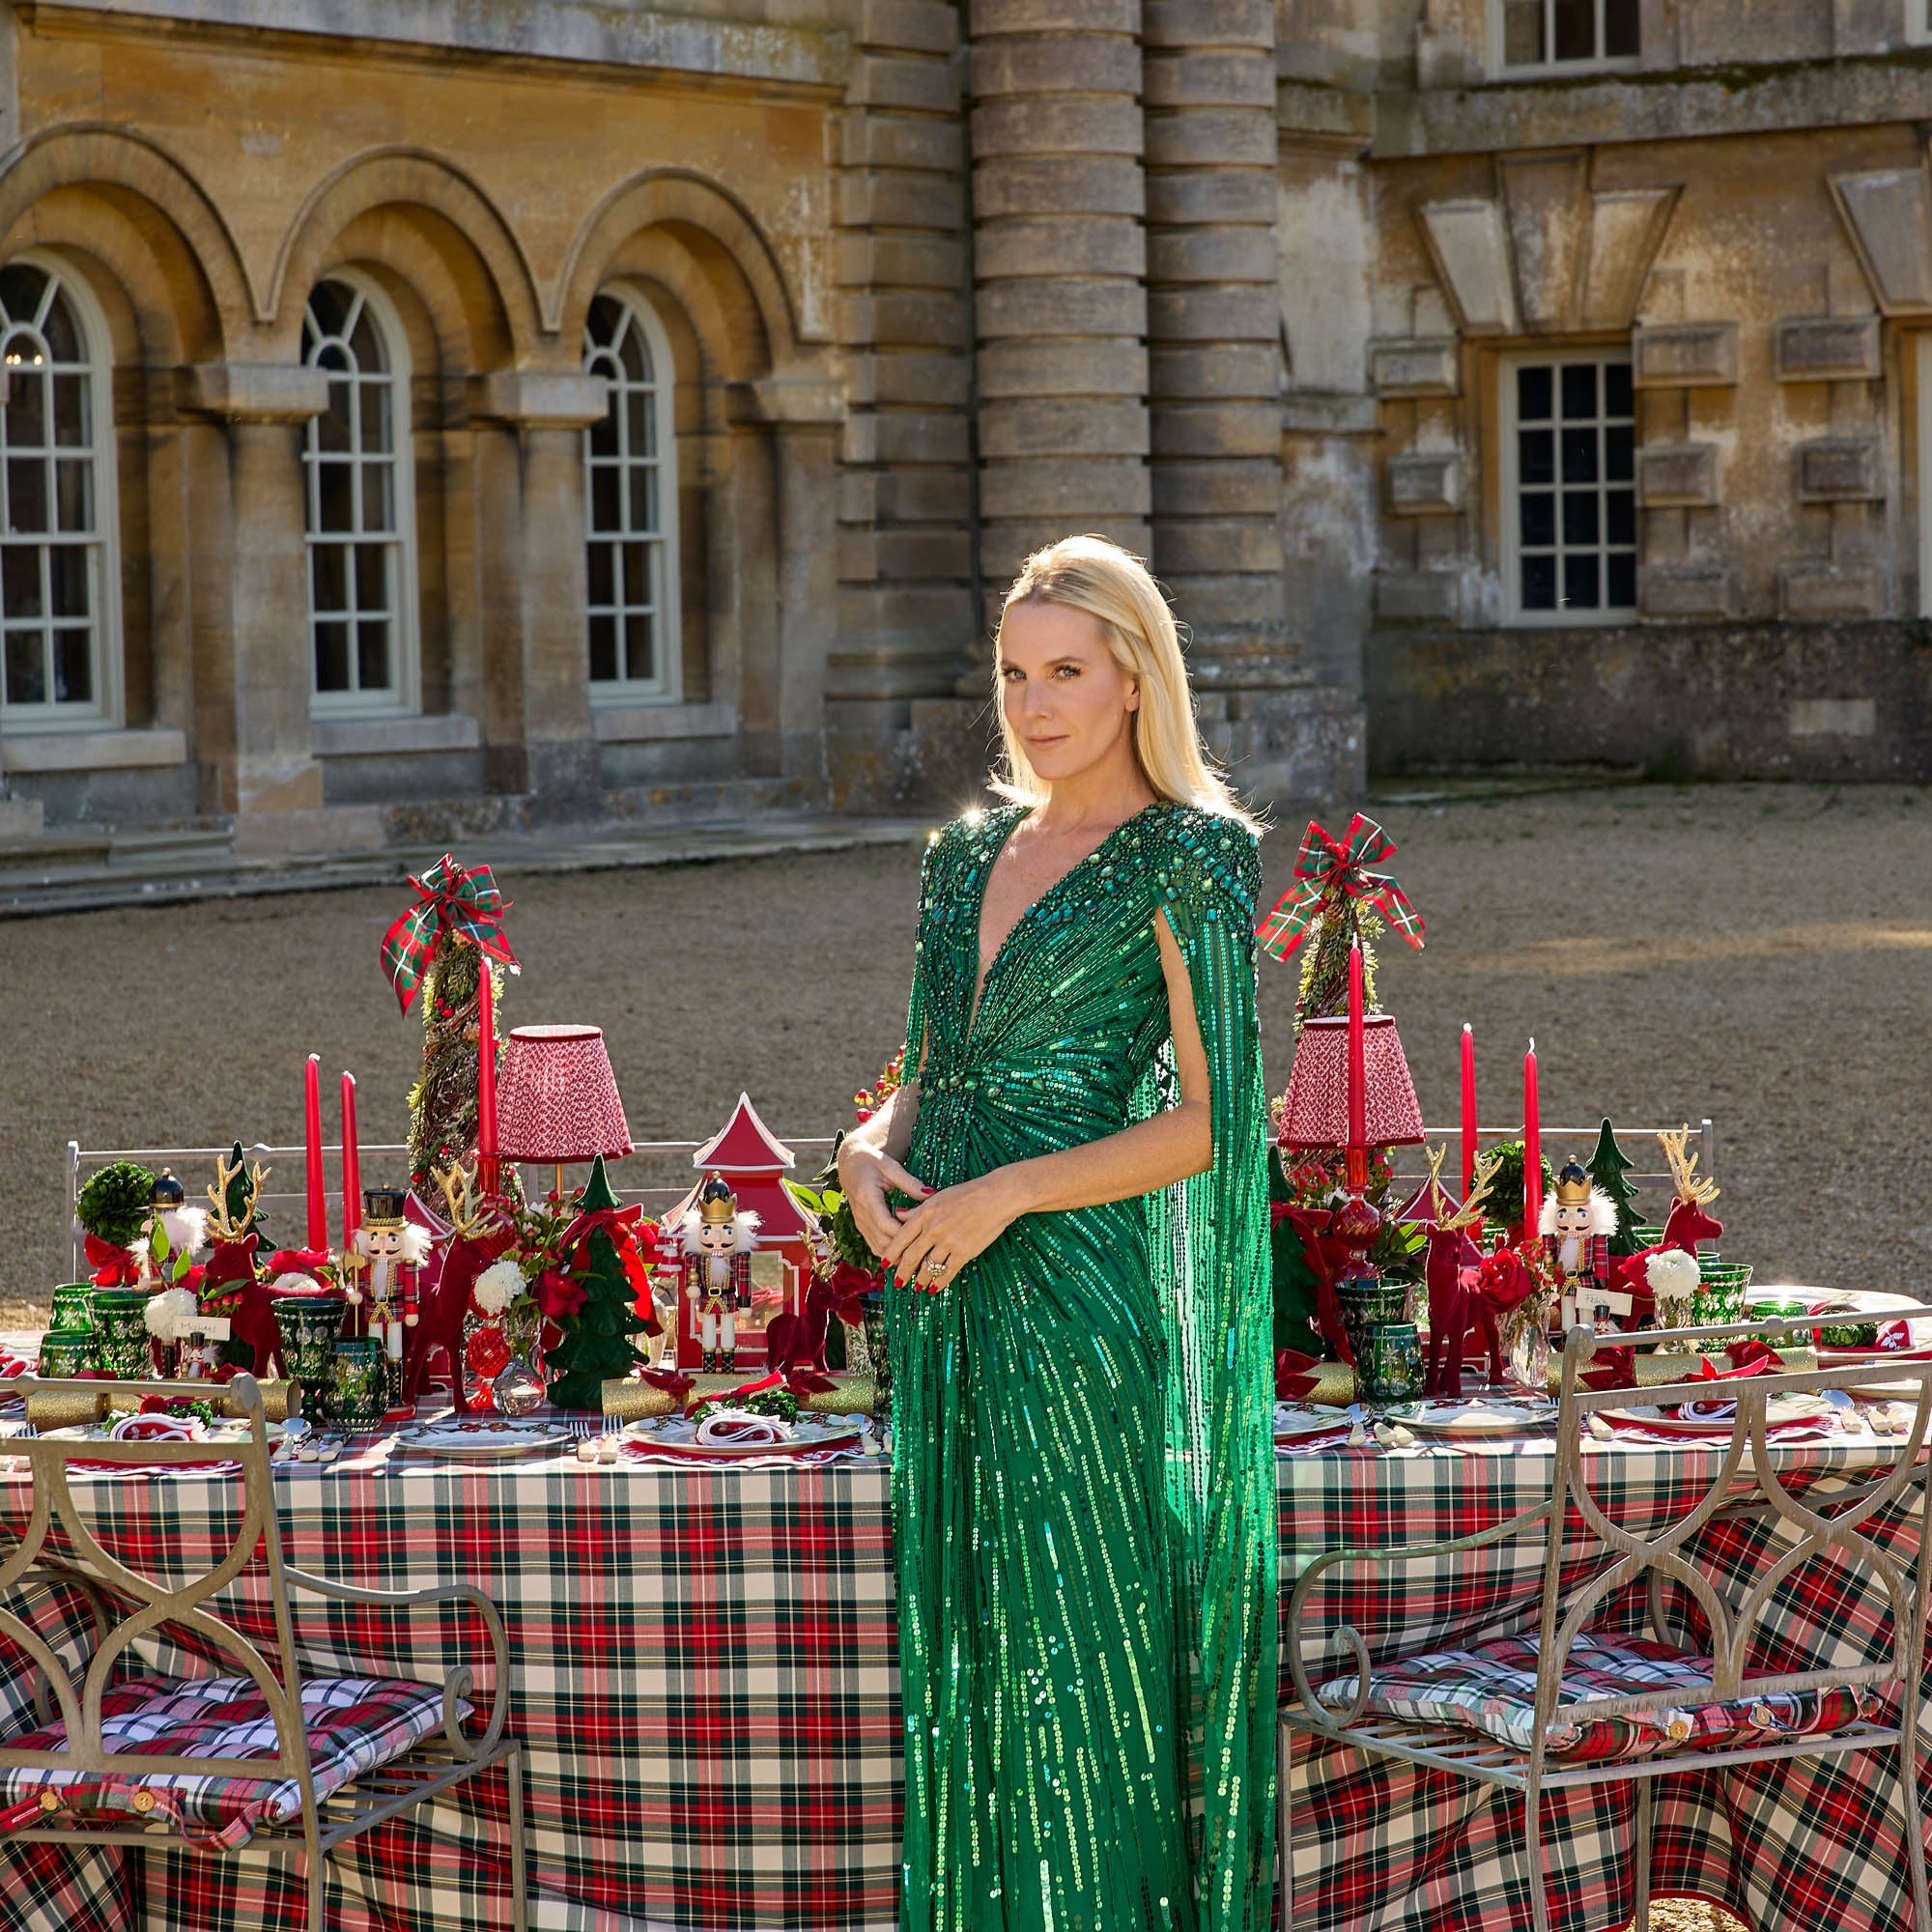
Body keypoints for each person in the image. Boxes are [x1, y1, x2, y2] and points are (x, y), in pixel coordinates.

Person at [838, 534, 1277, 1932]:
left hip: (1076, 1293)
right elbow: (930, 1061)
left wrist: (1011, 1192)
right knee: (963, 1651)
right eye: (1015, 673)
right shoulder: (961, 855)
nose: (1033, 705)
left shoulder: (1193, 859)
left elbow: (1213, 1126)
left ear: (1137, 676)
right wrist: (866, 1149)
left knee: (1078, 1656)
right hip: (934, 1278)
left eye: (1067, 672)